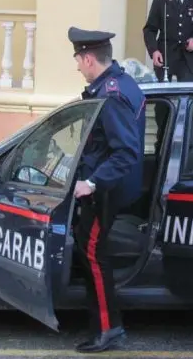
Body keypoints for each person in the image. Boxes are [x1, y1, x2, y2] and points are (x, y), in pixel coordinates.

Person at [67, 26, 147, 353]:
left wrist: (92, 182)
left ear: (88, 58)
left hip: (103, 191)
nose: (76, 67)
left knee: (92, 254)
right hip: (107, 186)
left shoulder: (110, 94)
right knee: (91, 252)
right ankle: (105, 323)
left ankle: (108, 328)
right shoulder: (119, 82)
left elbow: (126, 152)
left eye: (77, 60)